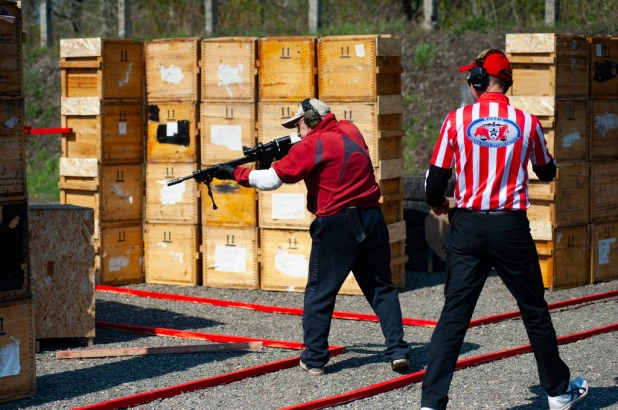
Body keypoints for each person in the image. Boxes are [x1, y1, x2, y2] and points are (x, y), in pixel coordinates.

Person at [421, 49, 588, 410]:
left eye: (472, 78)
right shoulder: (526, 122)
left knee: (454, 315)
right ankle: (559, 393)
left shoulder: (456, 119)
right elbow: (546, 172)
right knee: (533, 310)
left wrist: (438, 203)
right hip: (510, 226)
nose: (469, 83)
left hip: (466, 225)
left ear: (481, 81)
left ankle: (431, 403)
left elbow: (435, 180)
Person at [212, 98, 410, 375]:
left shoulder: (311, 144)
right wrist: (284, 149)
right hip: (372, 217)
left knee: (320, 291)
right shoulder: (351, 130)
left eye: (299, 124)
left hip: (337, 222)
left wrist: (236, 173)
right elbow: (327, 146)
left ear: (310, 119)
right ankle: (398, 351)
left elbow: (271, 180)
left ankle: (315, 357)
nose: (298, 130)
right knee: (381, 287)